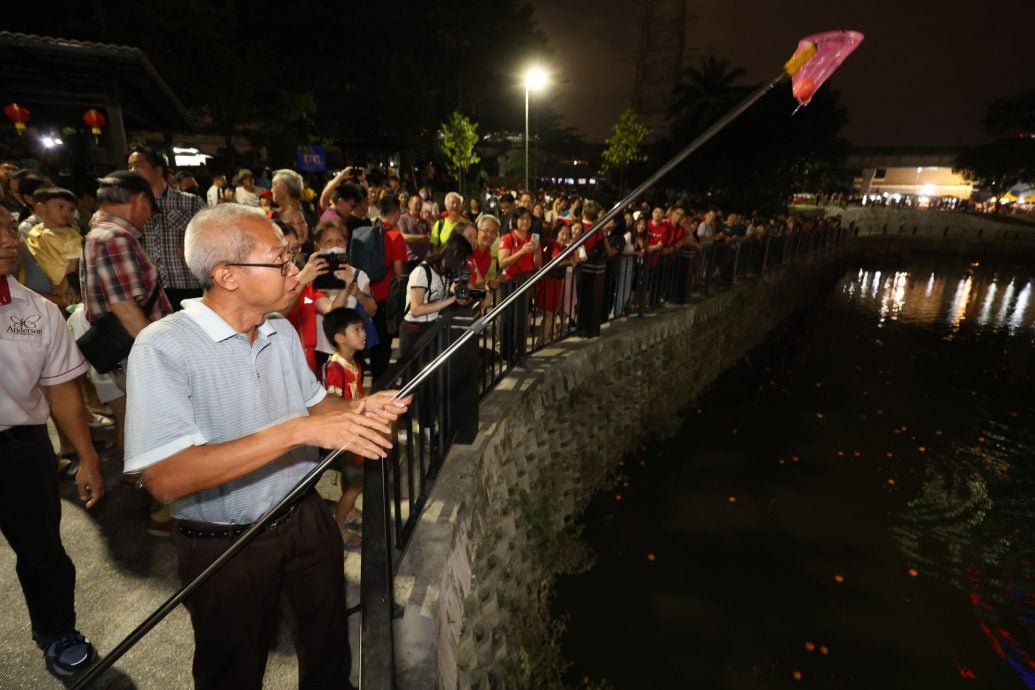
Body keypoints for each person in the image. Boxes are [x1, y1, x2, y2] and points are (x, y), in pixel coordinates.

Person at [122, 203, 409, 689]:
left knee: (328, 647)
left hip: (304, 517)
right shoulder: (162, 346)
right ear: (227, 275)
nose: (293, 271)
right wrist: (294, 432)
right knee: (233, 668)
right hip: (225, 543)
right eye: (280, 261)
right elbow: (166, 478)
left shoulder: (276, 330)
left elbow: (315, 407)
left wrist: (363, 408)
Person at [0, 212, 105, 682]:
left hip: (20, 449)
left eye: (8, 229)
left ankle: (57, 631)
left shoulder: (36, 310)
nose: (9, 241)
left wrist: (86, 457)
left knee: (43, 550)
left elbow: (62, 390)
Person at [128, 146, 205, 309]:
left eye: (138, 165)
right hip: (148, 289)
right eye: (130, 167)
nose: (133, 171)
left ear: (158, 170)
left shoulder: (190, 202)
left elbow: (213, 236)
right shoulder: (130, 206)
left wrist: (195, 248)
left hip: (186, 284)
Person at [320, 307, 367, 546]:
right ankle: (338, 527)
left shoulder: (353, 363)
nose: (363, 334)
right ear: (339, 338)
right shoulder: (335, 368)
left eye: (363, 328)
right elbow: (334, 403)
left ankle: (347, 511)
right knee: (356, 484)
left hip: (355, 429)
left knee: (353, 481)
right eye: (356, 330)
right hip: (346, 434)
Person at [400, 232, 473, 358]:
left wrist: (460, 291)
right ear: (454, 253)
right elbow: (416, 309)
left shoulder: (447, 272)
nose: (462, 263)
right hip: (414, 330)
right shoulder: (422, 272)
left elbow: (462, 296)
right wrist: (451, 300)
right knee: (413, 373)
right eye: (462, 259)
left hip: (432, 326)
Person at [24, 186, 82, 308]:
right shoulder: (34, 232)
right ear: (41, 208)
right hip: (45, 283)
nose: (67, 212)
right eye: (60, 207)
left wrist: (66, 283)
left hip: (66, 285)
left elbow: (75, 261)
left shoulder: (70, 235)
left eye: (71, 209)